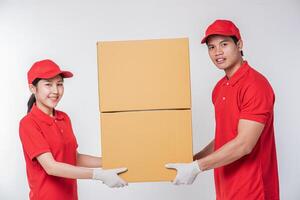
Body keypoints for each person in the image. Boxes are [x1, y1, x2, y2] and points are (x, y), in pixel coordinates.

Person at [166, 19, 279, 200]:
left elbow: (244, 144)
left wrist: (197, 167)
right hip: (226, 189)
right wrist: (193, 160)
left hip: (254, 190)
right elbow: (224, 137)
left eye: (224, 44)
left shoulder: (255, 85)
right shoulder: (220, 88)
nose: (217, 52)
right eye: (211, 47)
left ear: (239, 44)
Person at [19, 59, 128, 200]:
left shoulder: (64, 118)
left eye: (59, 84)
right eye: (48, 84)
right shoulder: (28, 123)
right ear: (33, 89)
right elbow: (51, 167)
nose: (55, 91)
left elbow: (73, 158)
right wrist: (98, 174)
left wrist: (110, 161)